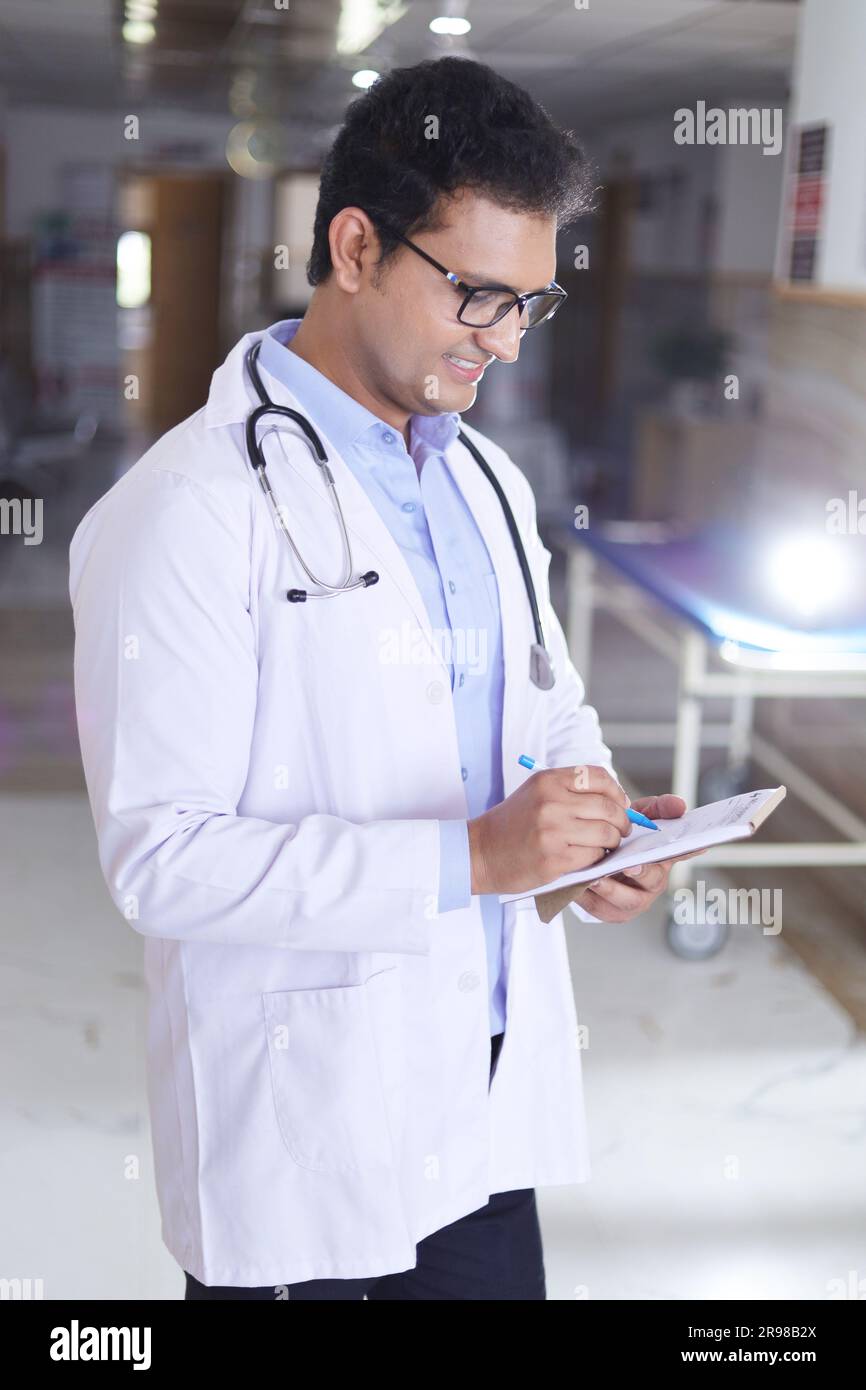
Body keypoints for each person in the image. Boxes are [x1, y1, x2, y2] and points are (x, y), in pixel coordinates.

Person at [69, 56, 687, 1301]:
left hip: (483, 1084)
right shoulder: (186, 510)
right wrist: (477, 859)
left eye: (530, 303)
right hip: (307, 1118)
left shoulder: (483, 483)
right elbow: (163, 858)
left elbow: (542, 701)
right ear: (355, 247)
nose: (505, 342)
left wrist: (589, 830)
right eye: (475, 296)